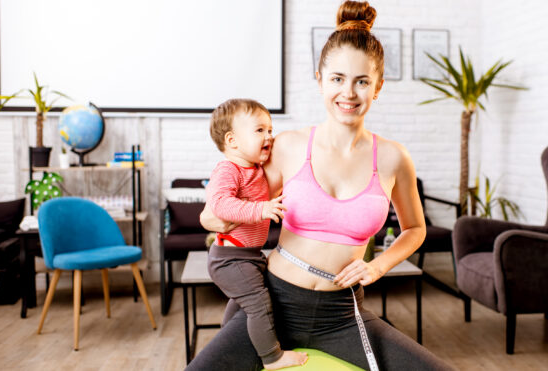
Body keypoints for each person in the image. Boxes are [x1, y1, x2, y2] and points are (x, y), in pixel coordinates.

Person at [190, 2, 453, 370]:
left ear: (378, 87)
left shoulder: (394, 158)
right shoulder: (287, 147)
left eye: (362, 81)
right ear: (320, 79)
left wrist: (376, 267)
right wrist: (211, 216)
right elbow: (228, 204)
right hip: (274, 303)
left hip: (341, 314)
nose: (349, 92)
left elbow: (414, 229)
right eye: (337, 78)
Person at [204, 99, 308, 370]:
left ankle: (229, 341)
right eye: (259, 130)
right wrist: (261, 209)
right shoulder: (229, 169)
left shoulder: (257, 170)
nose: (269, 136)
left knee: (243, 304)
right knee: (259, 303)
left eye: (270, 129)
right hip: (230, 257)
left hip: (248, 255)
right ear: (232, 140)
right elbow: (219, 205)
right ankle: (272, 357)